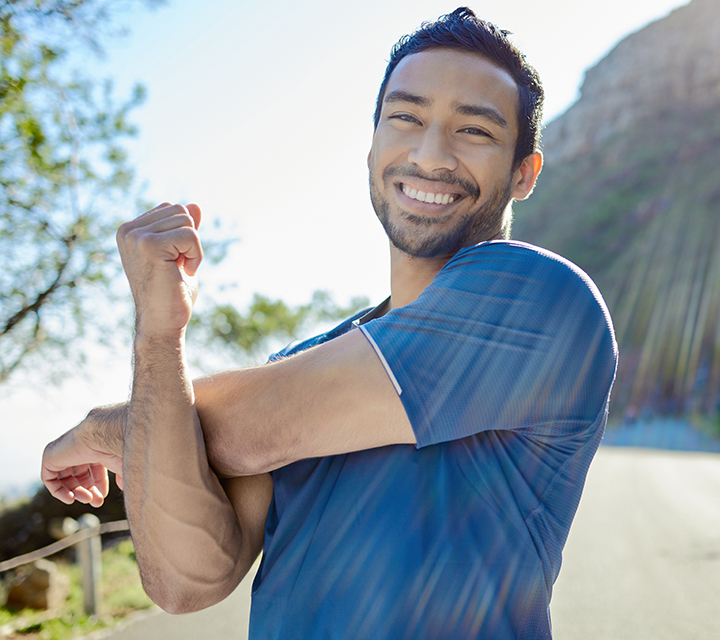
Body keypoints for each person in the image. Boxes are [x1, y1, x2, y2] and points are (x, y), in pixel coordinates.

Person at [40, 7, 617, 639]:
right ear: (372, 146)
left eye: (474, 130)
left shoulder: (539, 298)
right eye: (406, 117)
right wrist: (158, 334)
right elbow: (186, 581)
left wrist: (106, 429)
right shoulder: (305, 357)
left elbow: (247, 430)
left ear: (523, 174)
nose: (430, 154)